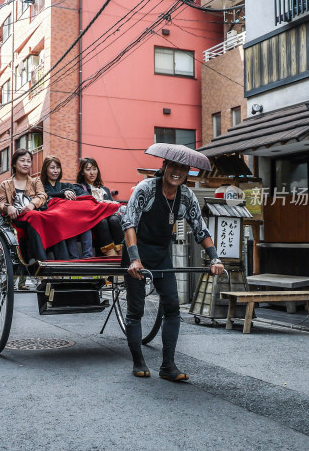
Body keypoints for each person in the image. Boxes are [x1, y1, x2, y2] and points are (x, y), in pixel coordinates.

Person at [120, 148, 224, 382]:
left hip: (161, 254)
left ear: (187, 172)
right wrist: (135, 258)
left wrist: (215, 257)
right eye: (174, 166)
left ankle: (168, 365)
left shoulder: (186, 196)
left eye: (183, 169)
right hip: (135, 252)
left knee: (173, 307)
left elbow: (200, 228)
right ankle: (138, 361)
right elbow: (129, 222)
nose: (177, 172)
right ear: (165, 165)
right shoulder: (145, 189)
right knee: (135, 310)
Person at [0, 148, 48, 263]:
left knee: (36, 216)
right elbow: (0, 203)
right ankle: (41, 259)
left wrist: (32, 204)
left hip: (32, 214)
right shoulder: (5, 184)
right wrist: (8, 207)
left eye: (29, 161)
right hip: (16, 218)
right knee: (34, 216)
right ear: (14, 164)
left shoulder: (36, 181)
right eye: (22, 160)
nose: (26, 164)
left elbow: (42, 196)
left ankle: (35, 258)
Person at [40, 156, 93, 259]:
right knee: (70, 222)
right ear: (45, 170)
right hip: (55, 220)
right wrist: (62, 194)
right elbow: (47, 195)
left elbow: (84, 194)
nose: (56, 171)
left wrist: (72, 193)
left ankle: (88, 257)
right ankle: (74, 257)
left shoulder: (67, 185)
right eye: (52, 168)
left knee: (85, 222)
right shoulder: (41, 186)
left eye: (58, 168)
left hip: (71, 219)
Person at [76, 157, 124, 256]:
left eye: (94, 169)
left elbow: (113, 208)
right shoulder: (80, 188)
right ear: (82, 172)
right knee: (102, 221)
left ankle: (122, 252)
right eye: (88, 169)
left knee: (114, 219)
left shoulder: (105, 189)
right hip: (93, 220)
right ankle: (111, 254)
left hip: (110, 219)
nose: (92, 172)